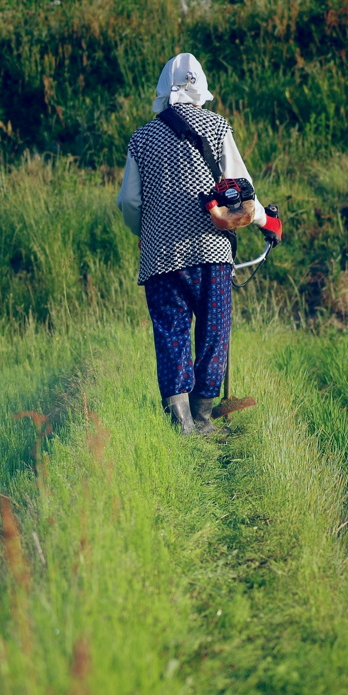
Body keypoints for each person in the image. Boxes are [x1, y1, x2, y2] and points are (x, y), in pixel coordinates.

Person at [116, 52, 268, 435]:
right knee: (214, 332)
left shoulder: (141, 138)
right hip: (210, 252)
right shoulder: (217, 127)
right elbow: (242, 188)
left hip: (160, 257)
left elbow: (129, 202)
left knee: (171, 332)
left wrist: (145, 234)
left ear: (163, 91)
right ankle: (203, 418)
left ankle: (181, 424)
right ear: (201, 90)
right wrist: (268, 222)